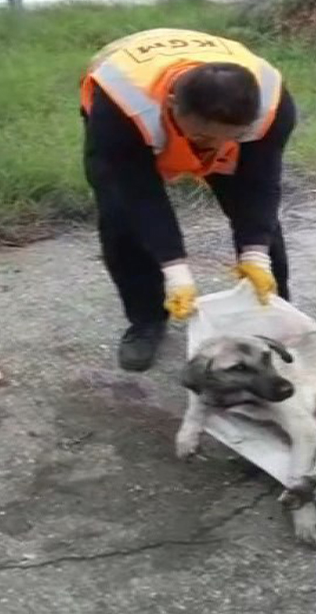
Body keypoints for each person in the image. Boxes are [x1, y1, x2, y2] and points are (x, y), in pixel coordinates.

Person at [80, 28, 296, 372]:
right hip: (129, 119)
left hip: (211, 116)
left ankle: (273, 313)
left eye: (230, 137)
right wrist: (175, 270)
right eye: (201, 136)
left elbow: (260, 183)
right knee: (121, 216)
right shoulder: (121, 104)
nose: (210, 147)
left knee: (260, 224)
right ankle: (147, 318)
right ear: (172, 105)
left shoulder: (272, 106)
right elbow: (139, 194)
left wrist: (255, 252)